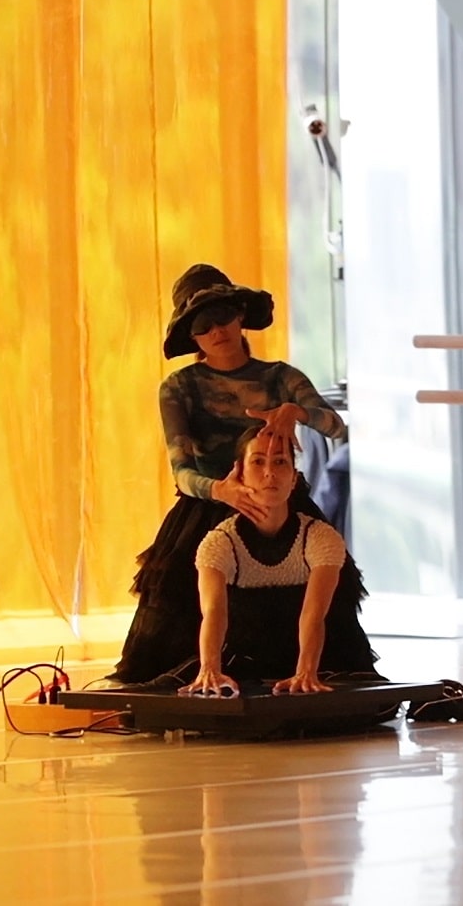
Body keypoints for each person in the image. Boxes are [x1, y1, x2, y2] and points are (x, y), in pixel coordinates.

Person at [108, 263, 365, 686]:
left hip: (282, 503)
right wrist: (222, 491)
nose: (216, 330)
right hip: (209, 506)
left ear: (240, 315)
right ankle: (206, 677)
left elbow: (337, 426)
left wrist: (296, 412)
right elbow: (181, 468)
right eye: (202, 324)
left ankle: (308, 674)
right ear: (191, 335)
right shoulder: (179, 387)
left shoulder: (281, 377)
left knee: (323, 589)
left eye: (222, 315)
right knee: (184, 602)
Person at [183, 424, 380, 696]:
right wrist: (210, 670)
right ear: (239, 473)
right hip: (245, 657)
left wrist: (306, 673)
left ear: (294, 478)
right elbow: (214, 611)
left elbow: (314, 613)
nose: (269, 473)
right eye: (258, 462)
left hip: (322, 656)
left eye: (280, 462)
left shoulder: (320, 538)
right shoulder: (218, 543)